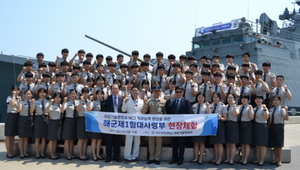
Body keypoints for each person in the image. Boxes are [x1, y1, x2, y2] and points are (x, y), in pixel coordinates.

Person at [166, 86, 193, 165]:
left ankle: (180, 158)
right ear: (175, 92)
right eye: (177, 92)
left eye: (180, 92)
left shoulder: (186, 101)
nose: (178, 93)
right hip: (174, 125)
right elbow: (168, 111)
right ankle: (174, 158)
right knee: (174, 143)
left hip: (182, 126)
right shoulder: (171, 101)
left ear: (183, 92)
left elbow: (189, 113)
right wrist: (167, 102)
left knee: (181, 143)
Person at [142, 86, 166, 165]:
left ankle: (157, 158)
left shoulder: (164, 101)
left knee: (159, 142)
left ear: (160, 92)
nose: (156, 92)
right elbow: (144, 112)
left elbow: (166, 114)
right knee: (151, 142)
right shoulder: (149, 101)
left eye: (158, 91)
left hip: (160, 125)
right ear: (152, 92)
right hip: (151, 125)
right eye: (155, 91)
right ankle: (151, 158)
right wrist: (145, 103)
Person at [121, 86, 144, 161]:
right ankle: (127, 156)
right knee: (129, 139)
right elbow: (123, 110)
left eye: (136, 90)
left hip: (138, 122)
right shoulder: (127, 99)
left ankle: (135, 156)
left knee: (137, 140)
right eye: (133, 90)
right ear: (131, 92)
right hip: (129, 123)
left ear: (138, 92)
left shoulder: (141, 100)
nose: (134, 92)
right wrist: (125, 102)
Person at [103, 84, 124, 163]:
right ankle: (108, 156)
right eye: (113, 89)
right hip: (110, 122)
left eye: (116, 89)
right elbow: (104, 109)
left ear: (118, 90)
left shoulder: (121, 99)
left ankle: (116, 156)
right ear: (111, 90)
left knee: (117, 140)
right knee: (109, 140)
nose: (115, 90)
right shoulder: (107, 98)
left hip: (118, 122)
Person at [190, 92, 211, 164]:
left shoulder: (206, 106)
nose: (200, 99)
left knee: (202, 143)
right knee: (195, 143)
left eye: (202, 97)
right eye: (199, 97)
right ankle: (196, 158)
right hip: (195, 126)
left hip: (203, 126)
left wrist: (208, 107)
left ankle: (201, 158)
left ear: (204, 98)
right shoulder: (194, 106)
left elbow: (209, 115)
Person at [268, 95, 289, 166]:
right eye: (274, 100)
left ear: (280, 101)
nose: (275, 102)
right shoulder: (271, 109)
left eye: (277, 100)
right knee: (274, 145)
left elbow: (286, 118)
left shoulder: (281, 109)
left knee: (279, 145)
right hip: (272, 127)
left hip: (279, 126)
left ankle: (280, 160)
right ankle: (276, 159)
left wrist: (286, 111)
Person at [209, 92, 227, 165]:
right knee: (215, 143)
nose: (215, 99)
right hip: (213, 124)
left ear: (220, 98)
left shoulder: (223, 106)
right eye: (214, 97)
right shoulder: (211, 105)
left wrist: (220, 117)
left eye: (216, 97)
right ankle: (216, 158)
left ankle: (219, 159)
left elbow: (225, 118)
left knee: (219, 143)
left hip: (220, 123)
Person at [31, 88, 49, 159]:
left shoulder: (48, 102)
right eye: (41, 92)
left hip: (45, 119)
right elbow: (31, 111)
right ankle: (37, 153)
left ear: (46, 94)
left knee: (44, 138)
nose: (42, 94)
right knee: (37, 138)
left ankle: (42, 153)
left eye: (44, 92)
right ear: (38, 93)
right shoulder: (35, 102)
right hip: (38, 118)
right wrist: (32, 103)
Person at [87, 90, 105, 161]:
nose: (100, 96)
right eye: (98, 94)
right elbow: (89, 109)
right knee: (94, 139)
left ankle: (98, 154)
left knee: (99, 139)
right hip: (94, 122)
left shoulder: (104, 102)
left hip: (101, 123)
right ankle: (93, 155)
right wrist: (90, 101)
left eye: (101, 94)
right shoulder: (94, 102)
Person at [61, 89, 78, 160]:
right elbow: (62, 110)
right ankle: (67, 154)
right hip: (68, 120)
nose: (73, 95)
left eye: (74, 94)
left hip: (75, 120)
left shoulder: (78, 102)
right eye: (72, 94)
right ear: (69, 95)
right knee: (67, 139)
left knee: (72, 139)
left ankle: (71, 154)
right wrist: (64, 102)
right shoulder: (67, 103)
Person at [253, 95, 269, 166]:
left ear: (262, 100)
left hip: (262, 126)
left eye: (259, 99)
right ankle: (258, 159)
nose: (258, 100)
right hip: (256, 126)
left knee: (262, 145)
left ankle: (262, 160)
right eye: (256, 99)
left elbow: (266, 118)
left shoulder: (264, 108)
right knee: (257, 145)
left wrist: (265, 109)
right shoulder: (254, 108)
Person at [237, 93, 254, 165]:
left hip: (247, 125)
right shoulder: (239, 107)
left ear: (248, 100)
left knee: (246, 143)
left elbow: (252, 117)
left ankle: (246, 159)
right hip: (240, 125)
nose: (243, 100)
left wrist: (250, 109)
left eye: (245, 99)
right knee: (242, 143)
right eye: (242, 98)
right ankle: (243, 157)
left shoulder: (249, 107)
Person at [17, 90, 33, 158]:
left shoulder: (32, 102)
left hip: (29, 120)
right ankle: (21, 153)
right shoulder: (22, 102)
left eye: (29, 94)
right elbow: (18, 110)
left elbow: (32, 111)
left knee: (26, 138)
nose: (28, 95)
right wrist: (19, 102)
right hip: (22, 119)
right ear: (24, 94)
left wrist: (33, 103)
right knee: (21, 137)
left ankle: (25, 152)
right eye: (27, 94)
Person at [46, 92, 62, 160]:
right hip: (53, 122)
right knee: (51, 139)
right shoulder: (51, 105)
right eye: (56, 98)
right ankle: (51, 154)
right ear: (54, 98)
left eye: (59, 98)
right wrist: (50, 103)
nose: (58, 99)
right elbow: (46, 111)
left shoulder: (61, 105)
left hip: (59, 122)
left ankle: (54, 153)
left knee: (55, 139)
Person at [5, 85, 20, 158]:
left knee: (13, 136)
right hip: (10, 116)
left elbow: (18, 109)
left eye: (17, 90)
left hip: (16, 116)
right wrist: (14, 95)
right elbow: (12, 104)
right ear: (11, 91)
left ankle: (11, 151)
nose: (16, 92)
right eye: (14, 90)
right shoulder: (9, 97)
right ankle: (8, 152)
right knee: (8, 136)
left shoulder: (19, 99)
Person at [224, 94, 238, 165]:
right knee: (227, 143)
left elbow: (235, 114)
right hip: (226, 124)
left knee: (232, 144)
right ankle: (227, 158)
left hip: (233, 124)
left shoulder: (236, 106)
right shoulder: (225, 106)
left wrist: (234, 105)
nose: (230, 99)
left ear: (234, 99)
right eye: (228, 98)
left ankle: (231, 159)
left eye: (231, 98)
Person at [76, 88, 90, 160]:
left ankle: (84, 154)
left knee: (85, 139)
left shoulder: (88, 101)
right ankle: (80, 155)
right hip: (81, 119)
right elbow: (77, 109)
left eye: (87, 93)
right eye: (84, 93)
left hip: (87, 119)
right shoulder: (78, 101)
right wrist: (81, 100)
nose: (85, 94)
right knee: (81, 139)